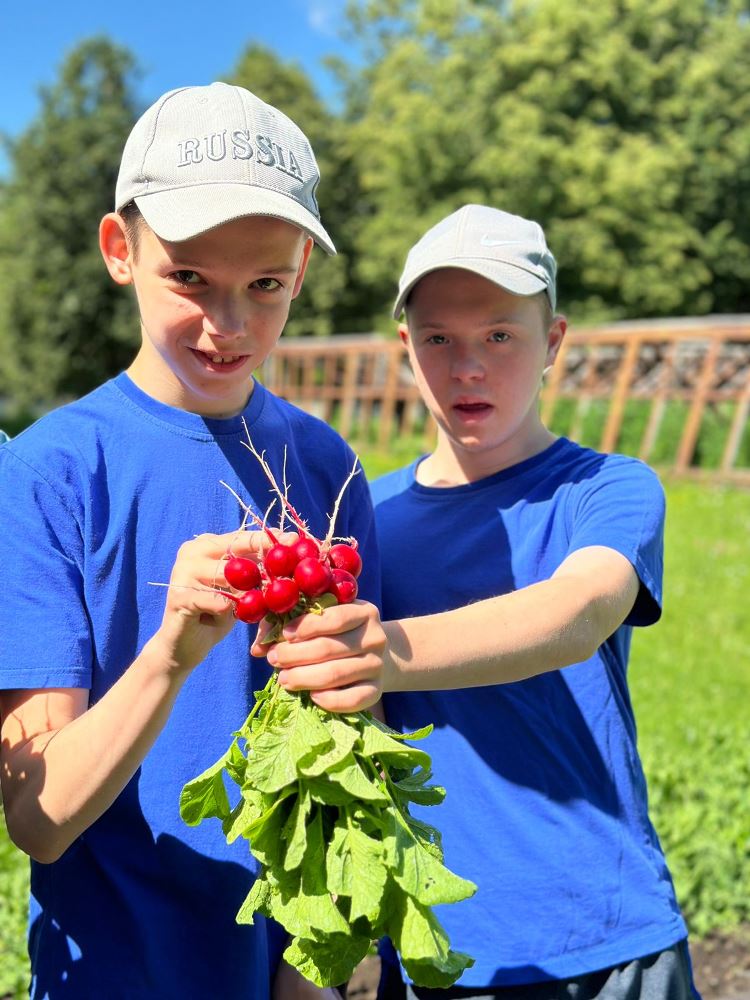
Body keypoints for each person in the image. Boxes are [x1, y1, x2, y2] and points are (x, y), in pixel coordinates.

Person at [0, 82, 384, 1000]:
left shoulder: (325, 464)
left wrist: (319, 955)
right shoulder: (49, 471)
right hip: (115, 966)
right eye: (191, 280)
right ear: (119, 251)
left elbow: (349, 729)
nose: (232, 324)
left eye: (267, 286)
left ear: (300, 274)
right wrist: (172, 649)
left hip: (281, 963)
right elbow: (38, 817)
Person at [264, 205, 701, 998]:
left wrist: (380, 653)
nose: (469, 366)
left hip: (602, 936)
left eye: (501, 335)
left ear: (554, 343)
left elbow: (578, 611)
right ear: (406, 350)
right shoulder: (366, 524)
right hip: (435, 945)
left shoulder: (603, 489)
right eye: (439, 339)